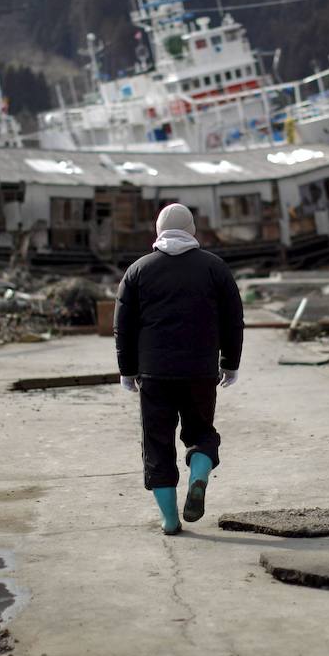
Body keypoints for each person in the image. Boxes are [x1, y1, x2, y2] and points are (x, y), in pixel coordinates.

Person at [114, 203, 244, 534]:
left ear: (158, 231)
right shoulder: (215, 268)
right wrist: (230, 363)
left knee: (157, 444)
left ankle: (170, 521)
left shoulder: (138, 270)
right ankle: (198, 477)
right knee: (201, 433)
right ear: (192, 230)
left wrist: (126, 370)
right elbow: (233, 320)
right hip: (200, 371)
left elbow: (124, 327)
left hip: (154, 374)